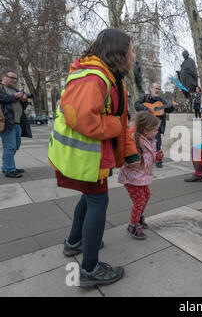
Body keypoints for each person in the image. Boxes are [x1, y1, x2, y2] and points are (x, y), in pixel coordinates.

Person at [48, 28, 139, 287]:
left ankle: (74, 241)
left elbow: (120, 116)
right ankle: (89, 269)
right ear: (119, 52)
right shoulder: (94, 78)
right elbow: (84, 119)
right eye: (131, 49)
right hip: (86, 156)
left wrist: (129, 151)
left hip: (91, 155)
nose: (133, 54)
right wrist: (115, 127)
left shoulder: (111, 77)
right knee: (98, 202)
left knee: (90, 199)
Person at [118, 112, 163, 240]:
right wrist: (133, 162)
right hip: (132, 177)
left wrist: (157, 157)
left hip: (142, 176)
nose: (156, 132)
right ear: (144, 129)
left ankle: (139, 217)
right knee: (139, 201)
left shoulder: (149, 140)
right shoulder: (134, 140)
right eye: (154, 130)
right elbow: (126, 157)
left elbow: (149, 156)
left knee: (146, 196)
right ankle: (133, 224)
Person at [134, 83, 178, 168]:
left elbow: (167, 109)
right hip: (145, 124)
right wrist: (146, 109)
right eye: (156, 88)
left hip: (156, 125)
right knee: (141, 142)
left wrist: (172, 106)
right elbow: (136, 104)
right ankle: (141, 159)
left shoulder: (161, 100)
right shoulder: (144, 97)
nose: (157, 90)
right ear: (151, 89)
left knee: (157, 143)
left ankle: (158, 160)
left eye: (159, 89)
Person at [0, 70, 32, 178]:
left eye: (16, 79)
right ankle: (9, 169)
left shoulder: (14, 90)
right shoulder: (1, 88)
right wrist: (15, 96)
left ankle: (7, 166)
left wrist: (24, 100)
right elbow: (3, 98)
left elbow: (22, 107)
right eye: (12, 78)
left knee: (16, 146)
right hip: (7, 123)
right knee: (10, 147)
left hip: (18, 123)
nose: (14, 80)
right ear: (3, 77)